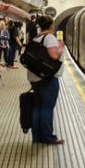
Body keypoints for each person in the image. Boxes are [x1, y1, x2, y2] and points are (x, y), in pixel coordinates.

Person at [29, 15, 64, 145]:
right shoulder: (49, 38)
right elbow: (54, 55)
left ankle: (37, 137)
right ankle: (48, 137)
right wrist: (60, 45)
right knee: (47, 108)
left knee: (38, 107)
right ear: (51, 26)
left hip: (35, 77)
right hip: (46, 78)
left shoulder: (36, 37)